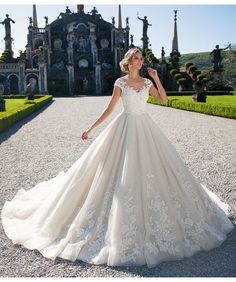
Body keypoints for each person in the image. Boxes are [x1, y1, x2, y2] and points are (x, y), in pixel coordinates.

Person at [1, 48, 234, 269]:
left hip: (145, 128)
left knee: (157, 169)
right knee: (111, 171)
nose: (140, 62)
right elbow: (110, 109)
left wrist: (156, 78)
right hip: (123, 127)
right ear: (128, 62)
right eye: (136, 58)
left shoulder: (147, 82)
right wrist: (91, 128)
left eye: (141, 58)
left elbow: (163, 100)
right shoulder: (120, 82)